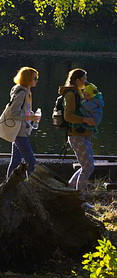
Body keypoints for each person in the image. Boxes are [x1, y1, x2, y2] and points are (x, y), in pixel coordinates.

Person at [59, 68, 97, 196]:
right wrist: (85, 119)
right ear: (78, 80)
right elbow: (68, 116)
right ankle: (78, 198)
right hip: (77, 136)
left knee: (87, 167)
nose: (86, 81)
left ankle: (69, 190)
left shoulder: (79, 93)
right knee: (88, 168)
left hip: (83, 135)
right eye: (84, 79)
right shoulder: (71, 95)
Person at [6, 66, 41, 178]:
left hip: (20, 130)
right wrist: (30, 118)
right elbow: (13, 112)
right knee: (31, 160)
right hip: (19, 131)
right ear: (28, 79)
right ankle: (33, 184)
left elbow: (22, 111)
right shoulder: (21, 93)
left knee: (15, 161)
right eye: (34, 78)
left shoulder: (25, 92)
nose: (36, 80)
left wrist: (31, 115)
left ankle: (9, 186)